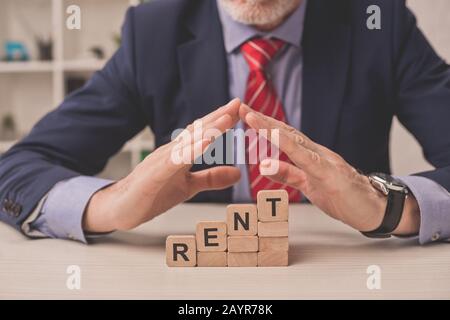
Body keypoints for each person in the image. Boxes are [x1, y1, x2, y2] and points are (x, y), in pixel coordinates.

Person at [0, 0, 449, 244]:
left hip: (348, 272)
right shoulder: (153, 30)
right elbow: (17, 169)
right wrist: (108, 205)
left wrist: (390, 209)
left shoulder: (380, 21)